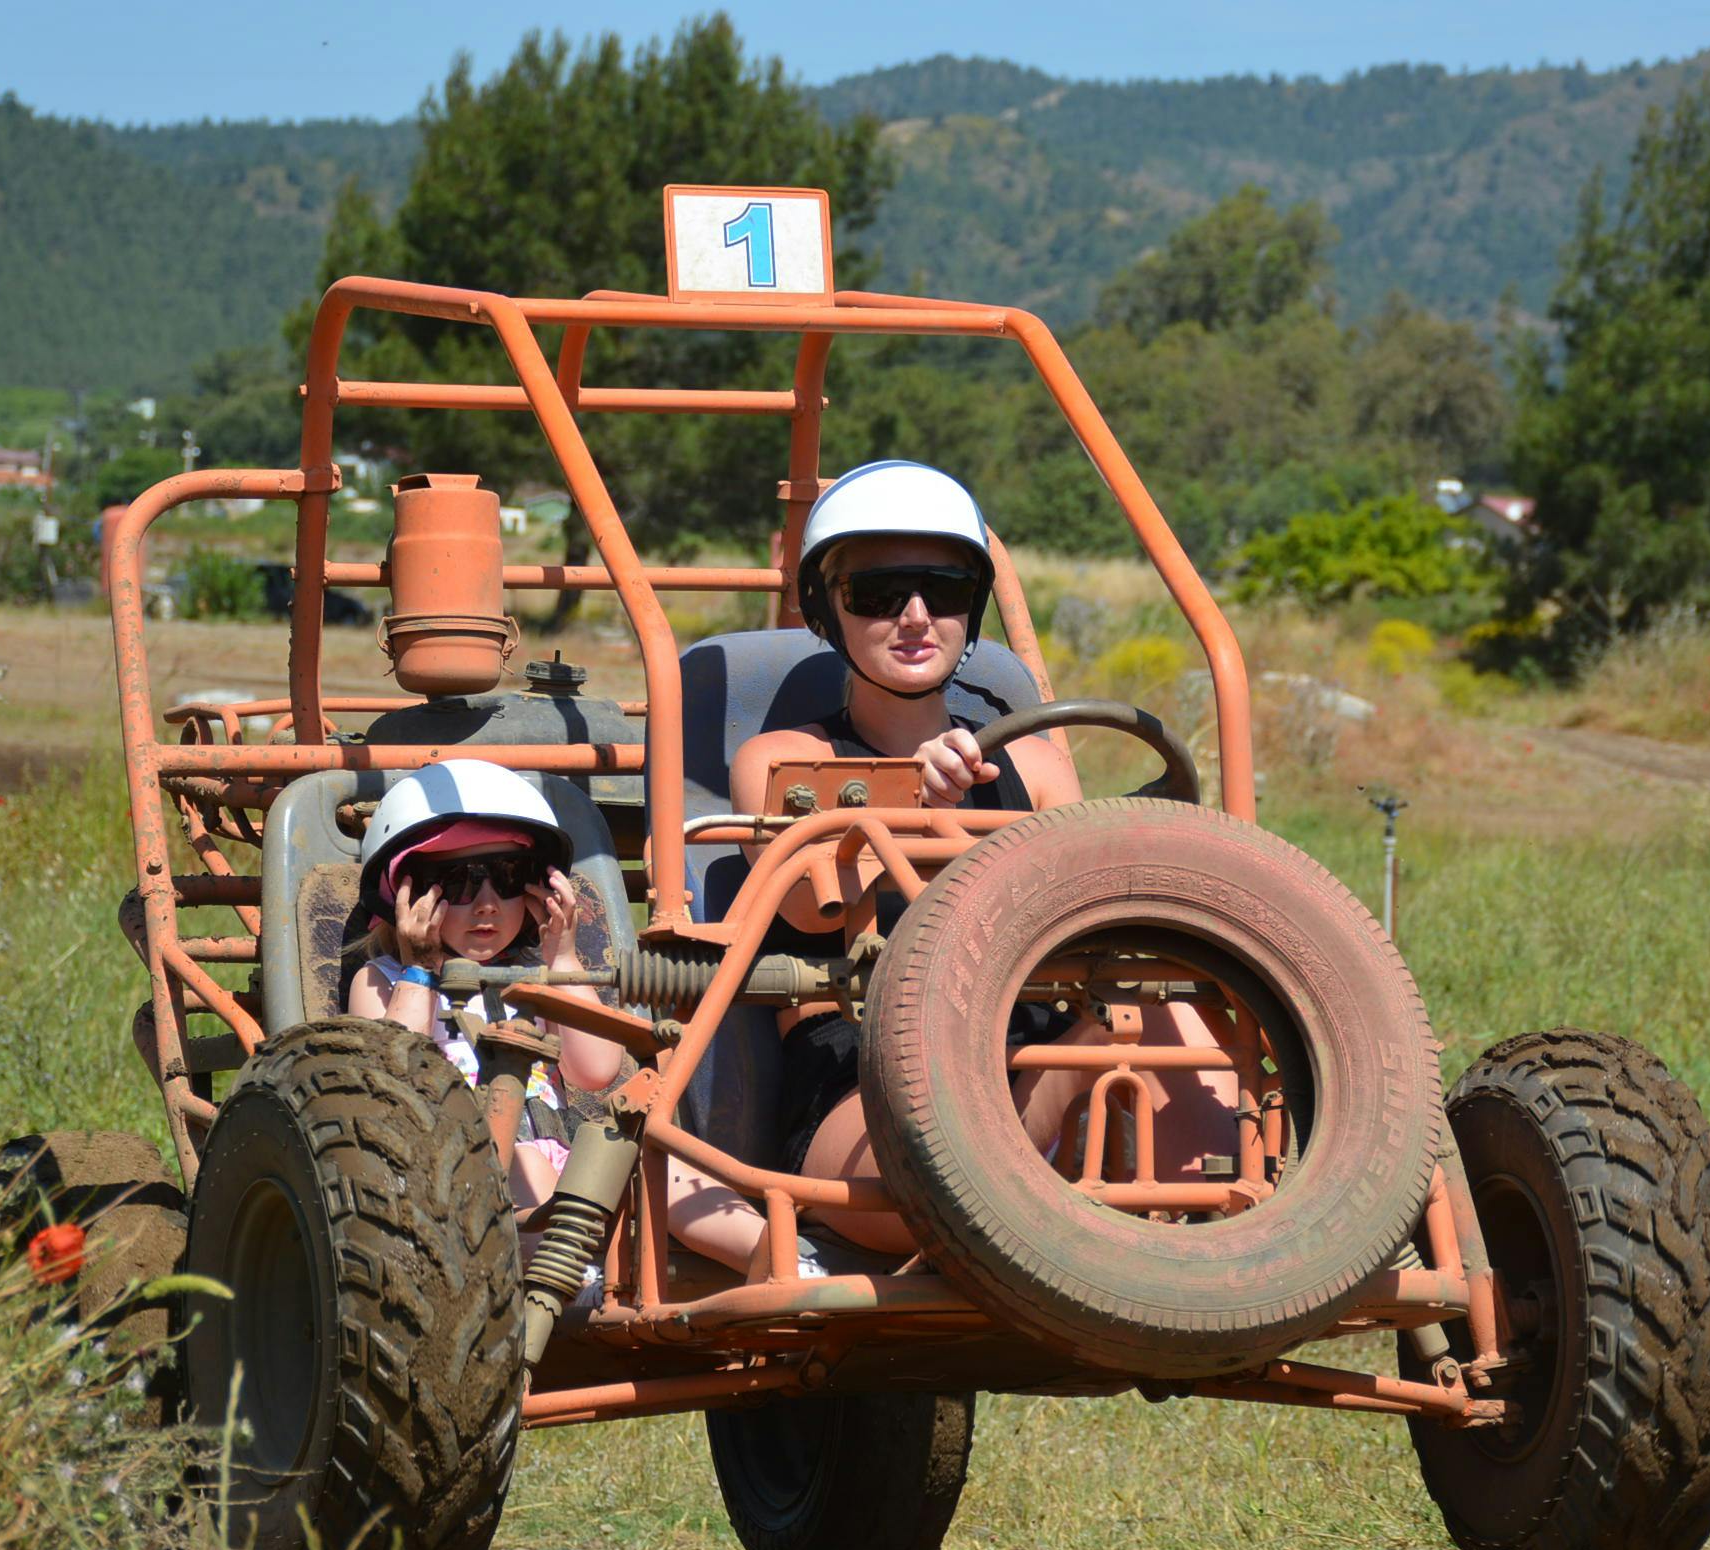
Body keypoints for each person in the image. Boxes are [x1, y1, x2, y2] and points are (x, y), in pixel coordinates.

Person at [728, 461, 1237, 1252]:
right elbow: (806, 906)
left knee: (1164, 1001)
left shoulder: (1032, 765)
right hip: (864, 1070)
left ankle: (1230, 1238)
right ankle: (1062, 1166)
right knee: (1083, 1054)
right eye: (878, 594)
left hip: (1030, 1035)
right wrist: (917, 802)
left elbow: (1090, 915)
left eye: (945, 591)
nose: (916, 617)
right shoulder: (784, 759)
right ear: (828, 610)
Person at [348, 759, 814, 1288]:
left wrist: (563, 957)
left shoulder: (537, 975)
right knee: (524, 1164)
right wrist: (420, 969)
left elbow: (595, 1070)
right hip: (452, 1173)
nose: (487, 904)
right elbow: (394, 1083)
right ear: (408, 898)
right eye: (457, 883)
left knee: (661, 1165)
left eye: (507, 878)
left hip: (559, 1157)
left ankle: (780, 1258)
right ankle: (570, 1283)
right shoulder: (383, 980)